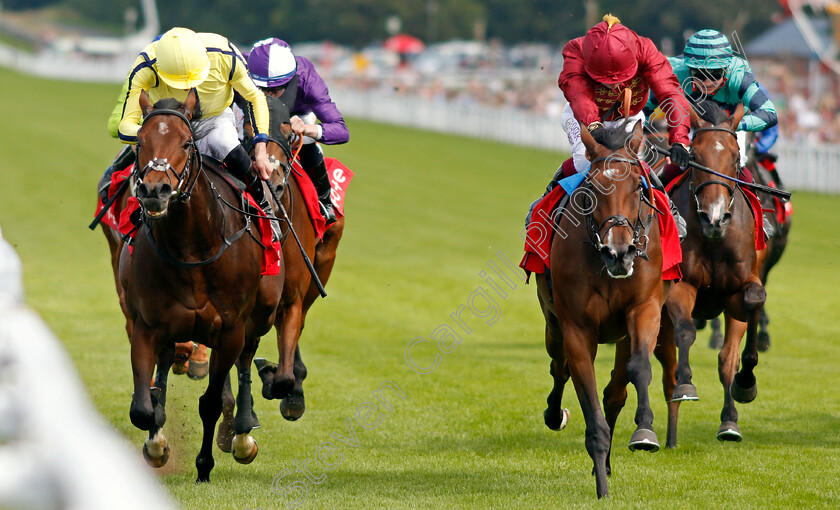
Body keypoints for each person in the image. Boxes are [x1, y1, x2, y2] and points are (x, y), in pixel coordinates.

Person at [101, 27, 280, 238]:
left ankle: (264, 209)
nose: (188, 86)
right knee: (152, 171)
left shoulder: (226, 55)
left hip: (213, 120)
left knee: (226, 145)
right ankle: (137, 219)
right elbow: (124, 125)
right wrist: (155, 136)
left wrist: (260, 150)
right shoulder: (145, 64)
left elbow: (255, 98)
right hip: (167, 124)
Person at [544, 14, 692, 237]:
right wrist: (593, 125)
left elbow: (671, 93)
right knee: (586, 161)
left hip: (628, 116)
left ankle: (667, 208)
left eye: (620, 78)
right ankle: (548, 199)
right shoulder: (576, 50)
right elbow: (577, 93)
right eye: (604, 79)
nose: (614, 86)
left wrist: (679, 140)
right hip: (582, 116)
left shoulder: (646, 49)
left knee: (631, 165)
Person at [649, 29, 779, 185]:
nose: (707, 82)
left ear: (726, 69)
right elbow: (642, 108)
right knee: (674, 168)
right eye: (699, 74)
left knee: (742, 173)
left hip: (732, 124)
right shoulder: (674, 72)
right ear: (688, 69)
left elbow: (769, 113)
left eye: (715, 74)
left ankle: (757, 205)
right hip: (694, 123)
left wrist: (732, 125)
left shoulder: (740, 75)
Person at [246, 37, 350, 225]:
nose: (269, 96)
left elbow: (342, 130)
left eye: (276, 89)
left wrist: (309, 129)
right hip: (253, 112)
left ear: (291, 78)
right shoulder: (242, 65)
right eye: (261, 89)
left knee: (307, 142)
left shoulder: (308, 78)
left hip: (296, 116)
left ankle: (324, 200)